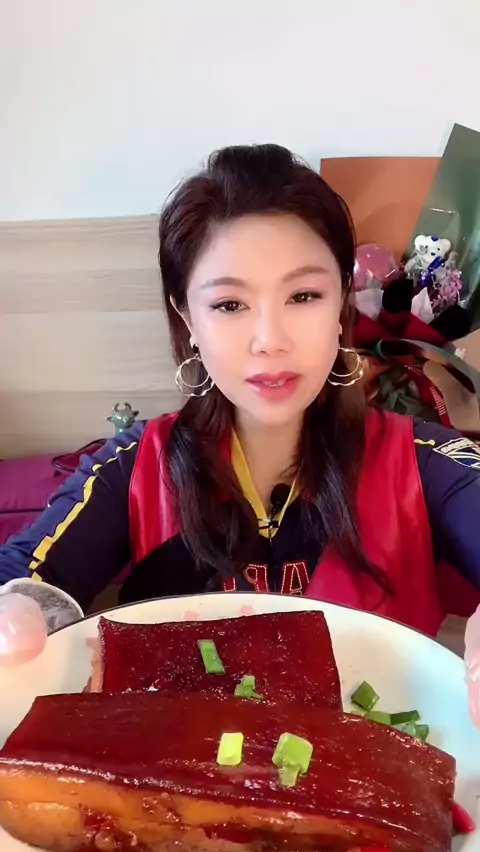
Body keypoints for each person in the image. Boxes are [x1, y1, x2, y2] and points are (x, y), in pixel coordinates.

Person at [1, 143, 480, 639]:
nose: (270, 340)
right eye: (230, 305)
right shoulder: (137, 466)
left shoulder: (422, 461)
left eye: (303, 296)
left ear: (341, 303)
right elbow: (20, 577)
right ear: (188, 318)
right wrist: (17, 615)